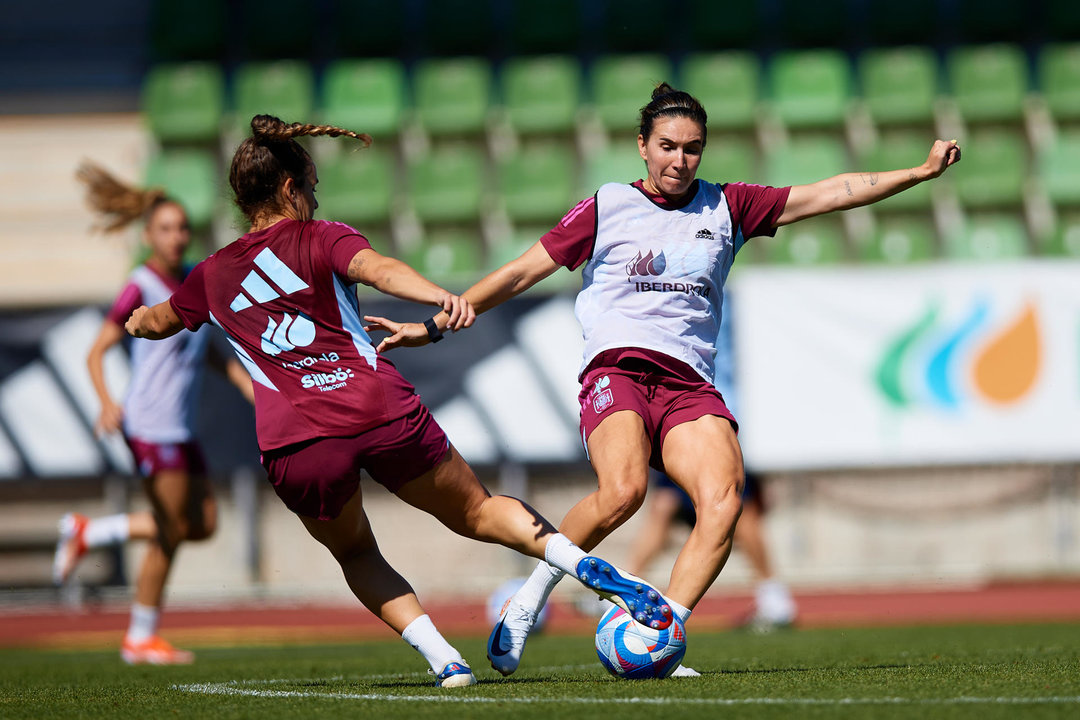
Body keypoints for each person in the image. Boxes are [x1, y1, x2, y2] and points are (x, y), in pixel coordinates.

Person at [368, 83, 961, 677]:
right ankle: (529, 600)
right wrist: (437, 325)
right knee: (623, 492)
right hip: (617, 369)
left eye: (693, 149)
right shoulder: (607, 205)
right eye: (668, 147)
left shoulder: (729, 205)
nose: (681, 161)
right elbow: (523, 270)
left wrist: (918, 172)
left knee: (724, 502)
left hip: (689, 386)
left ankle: (657, 634)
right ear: (642, 148)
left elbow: (830, 192)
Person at [123, 115, 675, 688]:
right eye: (311, 186)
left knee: (358, 553)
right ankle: (578, 562)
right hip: (376, 406)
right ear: (290, 188)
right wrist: (440, 296)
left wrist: (139, 322)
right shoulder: (322, 236)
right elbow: (379, 270)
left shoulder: (210, 275)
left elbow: (161, 320)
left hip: (297, 440)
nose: (316, 196)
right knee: (479, 511)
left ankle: (445, 660)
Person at [53, 163, 255, 665]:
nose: (176, 236)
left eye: (182, 227)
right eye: (165, 228)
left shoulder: (194, 282)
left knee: (202, 523)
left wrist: (253, 390)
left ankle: (90, 532)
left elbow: (209, 354)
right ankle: (140, 636)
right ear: (147, 235)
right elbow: (96, 350)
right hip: (149, 423)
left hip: (181, 428)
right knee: (170, 529)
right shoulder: (140, 285)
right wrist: (105, 401)